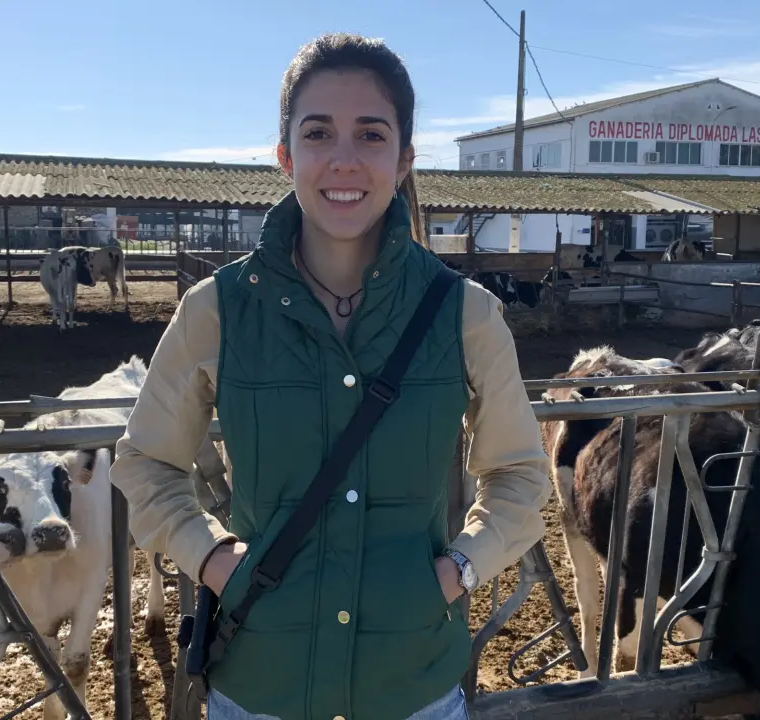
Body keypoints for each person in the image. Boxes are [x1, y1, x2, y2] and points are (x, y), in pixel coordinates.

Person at [111, 32, 551, 720]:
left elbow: (520, 473)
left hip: (411, 686)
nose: (344, 159)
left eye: (371, 135)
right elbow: (146, 464)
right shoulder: (217, 310)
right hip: (262, 683)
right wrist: (215, 560)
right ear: (286, 154)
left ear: (404, 158)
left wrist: (457, 572)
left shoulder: (465, 314)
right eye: (318, 133)